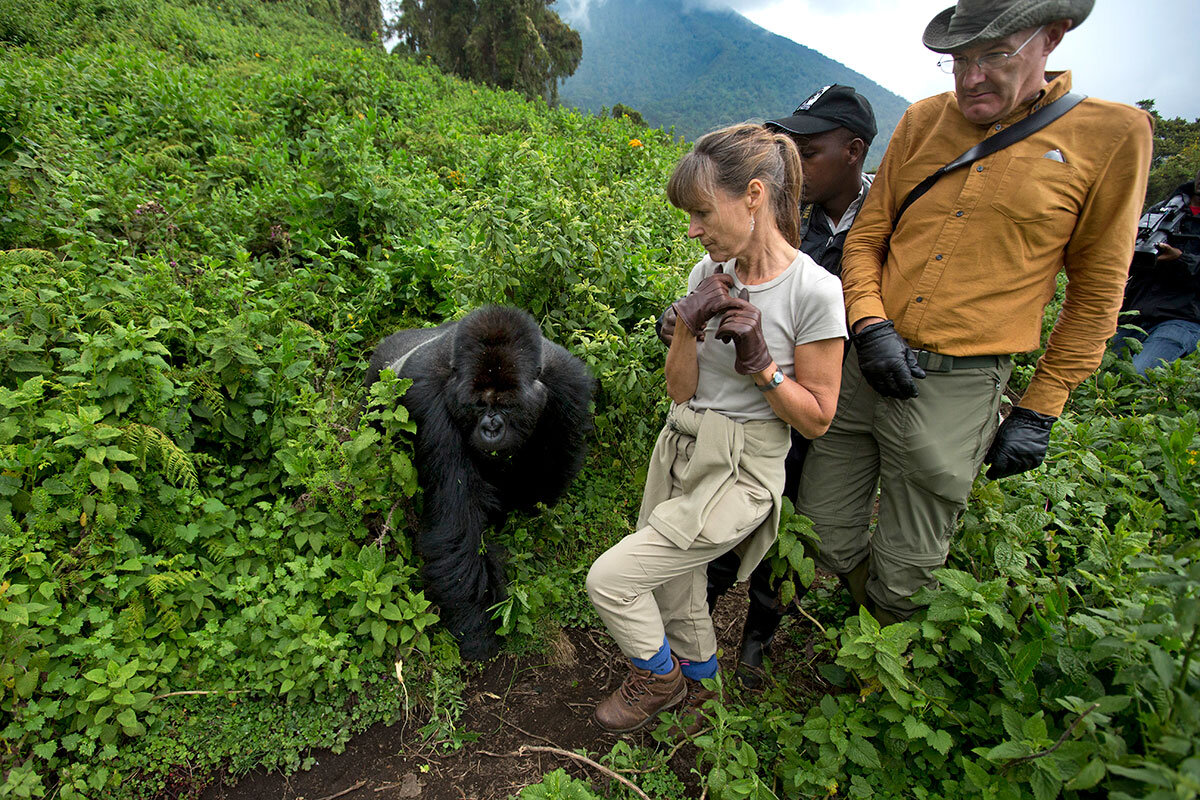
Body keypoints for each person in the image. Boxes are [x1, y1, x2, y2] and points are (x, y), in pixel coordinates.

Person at [796, 0, 1153, 625]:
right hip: (866, 358)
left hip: (958, 380)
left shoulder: (1112, 136)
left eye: (994, 55)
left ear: (1052, 37)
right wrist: (871, 321)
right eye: (959, 59)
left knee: (910, 558)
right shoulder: (925, 120)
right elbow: (867, 236)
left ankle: (880, 660)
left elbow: (1097, 291)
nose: (971, 77)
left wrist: (1042, 407)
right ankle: (861, 609)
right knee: (823, 527)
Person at [586, 124, 847, 733]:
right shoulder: (710, 269)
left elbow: (818, 417)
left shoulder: (814, 289)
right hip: (682, 442)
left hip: (744, 467)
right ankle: (704, 701)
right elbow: (680, 388)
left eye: (703, 212)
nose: (694, 229)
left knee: (613, 580)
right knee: (677, 589)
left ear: (753, 195)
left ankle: (659, 677)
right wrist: (687, 324)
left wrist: (762, 363)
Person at [698, 85, 878, 686]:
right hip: (767, 403)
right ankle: (702, 609)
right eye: (790, 144)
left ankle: (759, 630)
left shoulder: (884, 222)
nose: (794, 158)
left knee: (798, 515)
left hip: (830, 399)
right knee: (735, 510)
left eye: (810, 147)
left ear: (853, 152)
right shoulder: (780, 215)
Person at [1114, 168, 1200, 374]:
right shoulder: (1166, 209)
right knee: (1098, 373)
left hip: (1182, 318)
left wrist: (1180, 259)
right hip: (1136, 312)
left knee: (1139, 373)